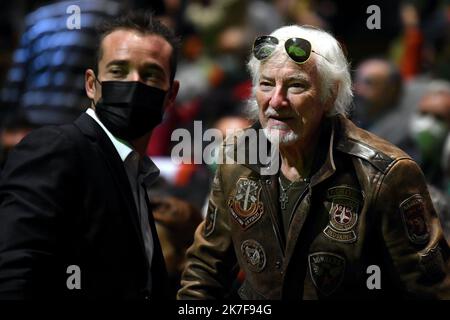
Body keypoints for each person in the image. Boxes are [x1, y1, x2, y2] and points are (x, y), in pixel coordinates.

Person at [177, 25, 450, 300]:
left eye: (296, 85)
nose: (276, 100)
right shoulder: (236, 157)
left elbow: (432, 290)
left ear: (329, 95)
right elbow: (205, 270)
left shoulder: (386, 174)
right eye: (266, 84)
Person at [0, 11, 180, 299]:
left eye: (150, 74)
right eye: (119, 71)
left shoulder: (134, 173)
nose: (134, 84)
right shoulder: (57, 147)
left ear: (171, 95)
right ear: (91, 85)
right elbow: (16, 271)